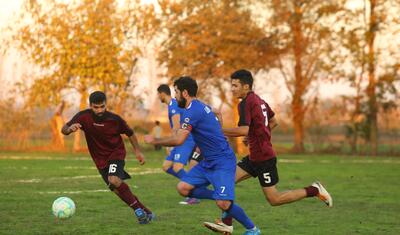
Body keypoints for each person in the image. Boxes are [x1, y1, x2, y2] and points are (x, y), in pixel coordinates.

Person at [204, 69, 333, 234]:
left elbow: (244, 129)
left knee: (274, 199)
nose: (232, 89)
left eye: (235, 85)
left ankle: (314, 190)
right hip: (255, 156)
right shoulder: (260, 101)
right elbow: (273, 122)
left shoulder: (246, 103)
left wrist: (219, 131)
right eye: (232, 85)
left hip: (264, 159)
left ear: (246, 86)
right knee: (226, 182)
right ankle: (227, 223)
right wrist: (257, 136)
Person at [145, 77, 261, 235]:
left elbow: (179, 139)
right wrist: (214, 133)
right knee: (183, 188)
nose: (175, 96)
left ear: (185, 93)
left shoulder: (191, 111)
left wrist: (155, 140)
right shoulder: (199, 105)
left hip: (222, 161)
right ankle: (222, 198)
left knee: (224, 203)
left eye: (177, 92)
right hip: (208, 161)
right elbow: (217, 112)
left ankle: (252, 229)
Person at [61, 91, 154, 224]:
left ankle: (138, 212)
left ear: (106, 105)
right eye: (95, 107)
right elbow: (63, 129)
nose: (99, 110)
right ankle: (147, 212)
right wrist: (70, 129)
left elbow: (130, 134)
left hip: (116, 153)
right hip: (99, 160)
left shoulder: (115, 120)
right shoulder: (83, 116)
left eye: (102, 106)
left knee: (114, 179)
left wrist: (138, 151)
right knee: (117, 190)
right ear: (90, 105)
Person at [156, 84, 203, 205]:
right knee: (166, 166)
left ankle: (193, 193)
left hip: (184, 140)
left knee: (177, 167)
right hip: (180, 139)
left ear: (162, 93)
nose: (157, 97)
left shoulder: (173, 106)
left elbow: (176, 127)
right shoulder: (171, 105)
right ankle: (192, 184)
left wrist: (170, 144)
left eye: (158, 94)